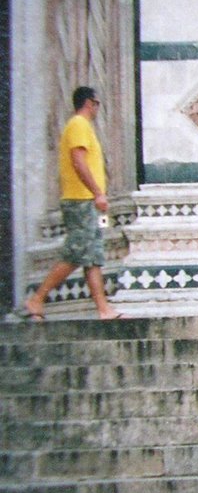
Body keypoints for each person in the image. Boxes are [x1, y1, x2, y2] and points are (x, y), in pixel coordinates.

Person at [22, 86, 122, 321]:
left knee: (92, 256)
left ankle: (103, 309)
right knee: (76, 254)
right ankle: (37, 299)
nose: (98, 108)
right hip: (80, 200)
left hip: (85, 201)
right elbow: (78, 161)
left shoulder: (82, 126)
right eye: (97, 103)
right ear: (90, 102)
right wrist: (97, 193)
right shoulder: (78, 125)